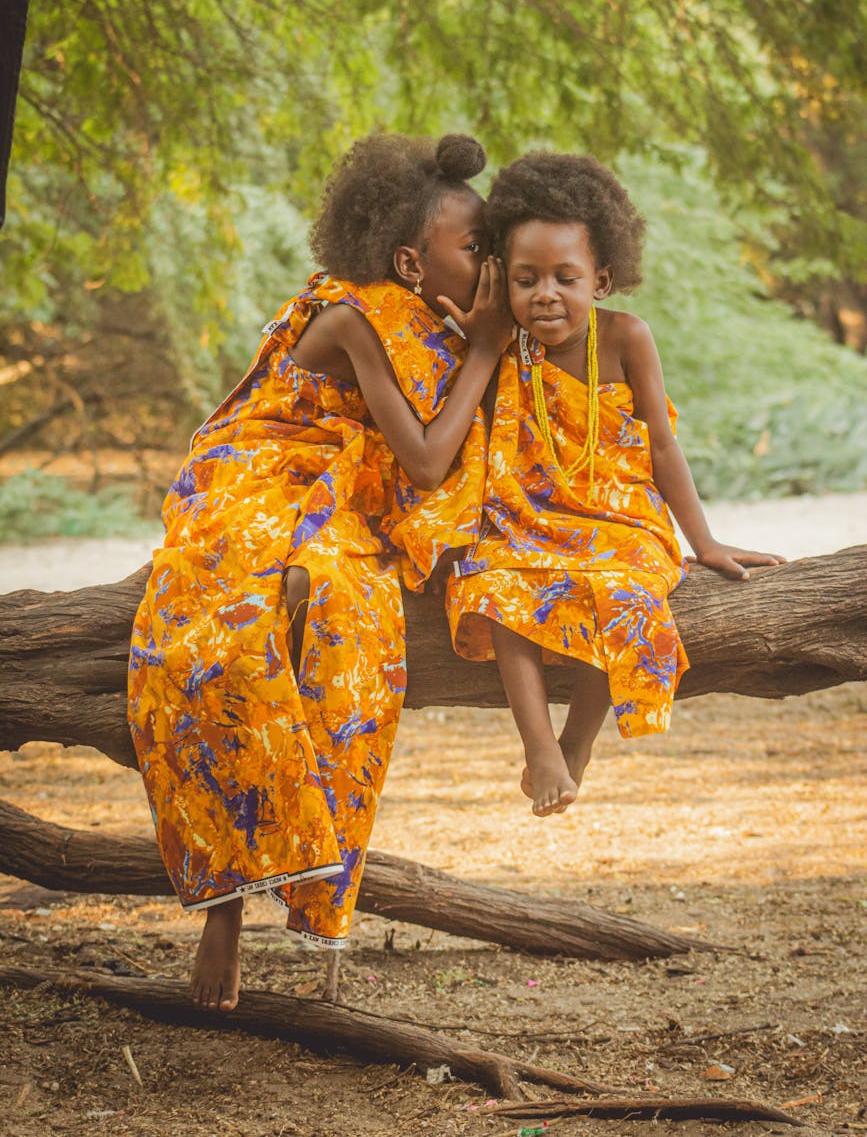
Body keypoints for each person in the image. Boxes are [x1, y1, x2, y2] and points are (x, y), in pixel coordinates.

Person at [129, 133, 510, 1011]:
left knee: (347, 609)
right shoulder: (353, 315)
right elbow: (421, 462)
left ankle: (308, 879)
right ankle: (225, 908)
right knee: (227, 642)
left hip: (338, 491)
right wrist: (485, 348)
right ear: (410, 261)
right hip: (257, 477)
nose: (489, 266)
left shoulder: (434, 320)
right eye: (474, 248)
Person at [446, 152, 784, 817]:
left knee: (622, 592)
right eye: (525, 279)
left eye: (564, 277)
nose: (545, 293)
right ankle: (538, 745)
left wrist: (705, 542)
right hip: (529, 515)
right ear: (502, 283)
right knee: (494, 583)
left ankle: (577, 742)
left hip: (620, 517)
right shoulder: (501, 348)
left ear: (600, 279)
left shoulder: (627, 338)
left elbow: (661, 444)